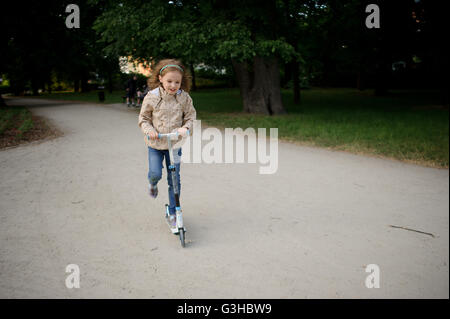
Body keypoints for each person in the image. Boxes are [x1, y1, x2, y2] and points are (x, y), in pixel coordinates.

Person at [138, 59, 196, 228]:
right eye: (169, 81)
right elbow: (144, 118)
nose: (173, 85)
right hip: (156, 144)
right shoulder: (152, 97)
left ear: (181, 82)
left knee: (174, 180)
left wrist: (186, 127)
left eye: (177, 82)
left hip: (174, 145)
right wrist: (149, 130)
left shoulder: (183, 98)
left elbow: (190, 116)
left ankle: (173, 211)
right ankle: (153, 183)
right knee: (156, 173)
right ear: (160, 78)